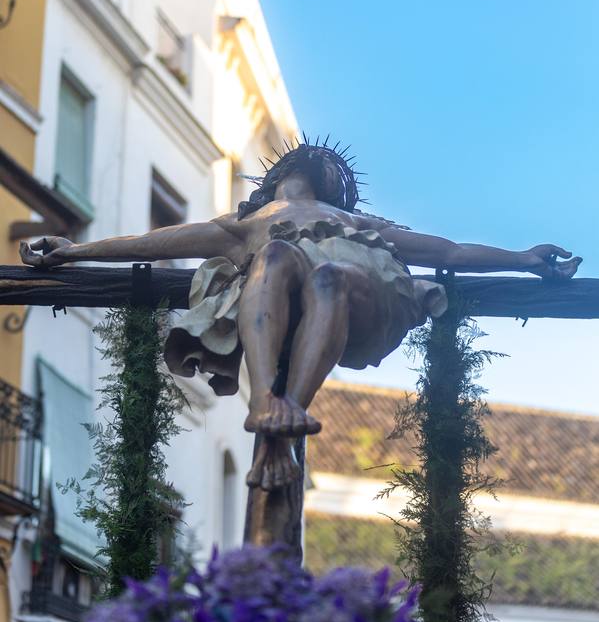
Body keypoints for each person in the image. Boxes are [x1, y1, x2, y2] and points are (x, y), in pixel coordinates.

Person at [20, 140, 582, 490]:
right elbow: (151, 242)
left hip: (359, 296)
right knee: (275, 255)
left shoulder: (365, 226)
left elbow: (449, 252)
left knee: (330, 276)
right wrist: (73, 251)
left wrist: (526, 259)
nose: (315, 165)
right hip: (275, 280)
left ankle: (286, 410)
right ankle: (270, 408)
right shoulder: (245, 225)